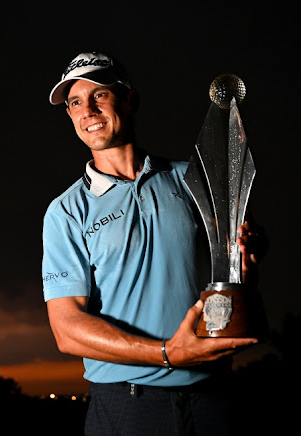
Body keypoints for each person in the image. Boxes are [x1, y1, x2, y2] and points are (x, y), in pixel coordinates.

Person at [41, 51, 267, 435]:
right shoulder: (66, 211)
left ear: (130, 99)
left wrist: (247, 263)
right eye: (75, 102)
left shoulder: (191, 180)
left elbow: (230, 280)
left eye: (99, 95)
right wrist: (166, 354)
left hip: (214, 398)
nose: (87, 110)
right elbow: (67, 329)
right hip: (127, 405)